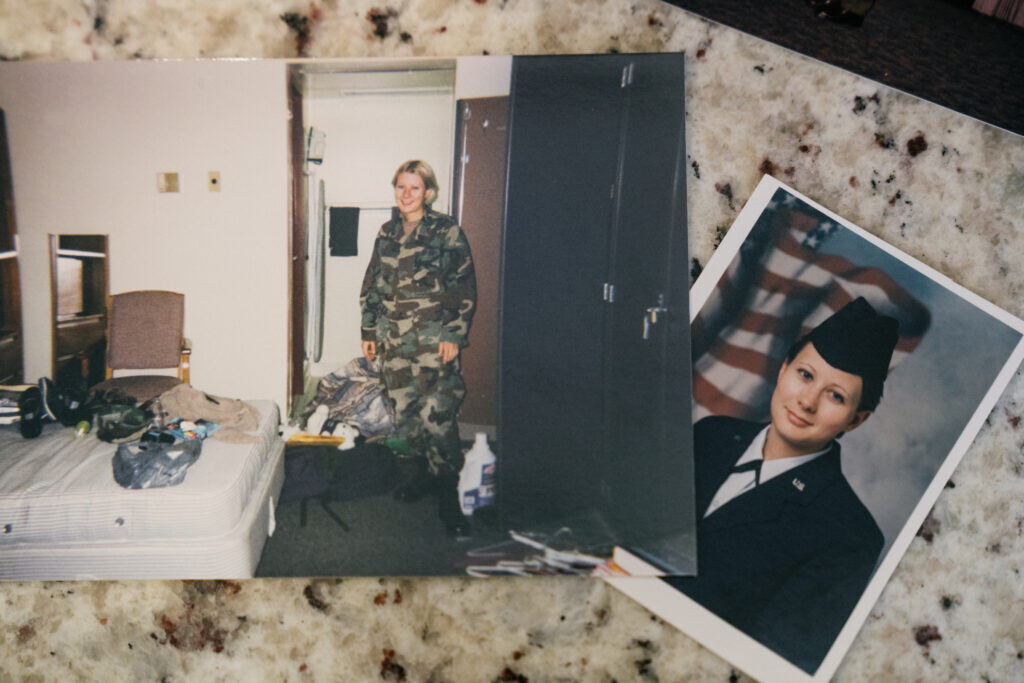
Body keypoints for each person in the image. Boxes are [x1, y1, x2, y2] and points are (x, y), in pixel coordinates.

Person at [667, 297, 898, 674]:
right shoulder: (710, 435)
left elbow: (772, 663)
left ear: (856, 420)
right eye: (805, 375)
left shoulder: (850, 536)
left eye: (835, 396)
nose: (807, 401)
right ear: (784, 368)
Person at [359, 160, 476, 537]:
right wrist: (368, 329)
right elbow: (373, 283)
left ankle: (448, 493)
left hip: (432, 341)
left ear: (428, 192)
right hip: (393, 341)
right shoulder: (387, 231)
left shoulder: (445, 231)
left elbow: (462, 285)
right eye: (401, 187)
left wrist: (453, 334)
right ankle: (425, 474)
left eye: (414, 188)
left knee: (437, 415)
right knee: (407, 414)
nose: (406, 194)